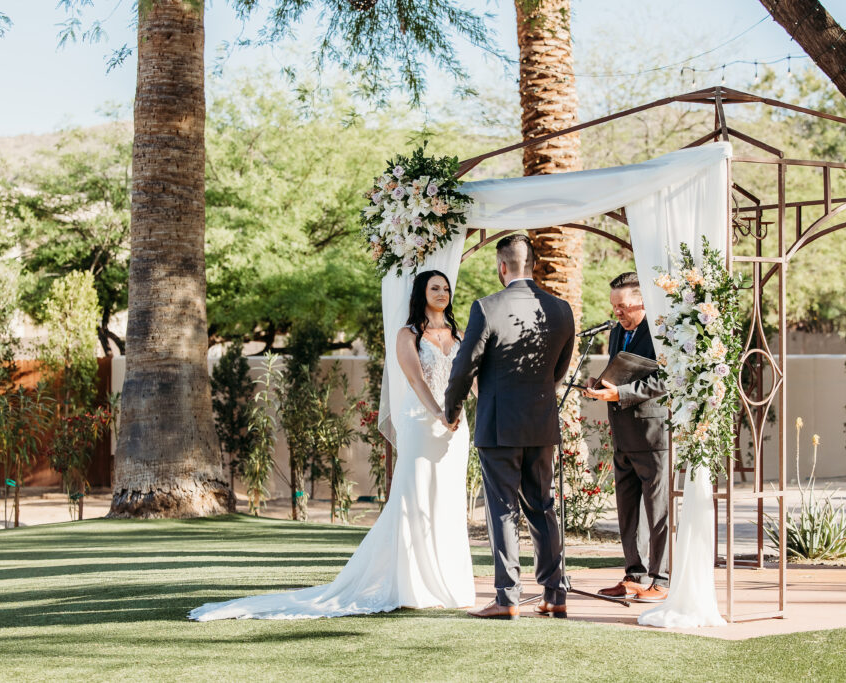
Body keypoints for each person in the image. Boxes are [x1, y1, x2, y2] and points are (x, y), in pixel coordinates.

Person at [188, 270, 475, 621]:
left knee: (448, 499)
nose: (443, 293)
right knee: (414, 497)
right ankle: (413, 583)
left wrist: (465, 412)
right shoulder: (407, 335)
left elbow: (471, 378)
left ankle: (449, 582)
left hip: (456, 429)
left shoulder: (460, 335)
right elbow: (415, 379)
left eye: (446, 288)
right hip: (421, 422)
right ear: (422, 293)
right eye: (435, 287)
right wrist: (439, 412)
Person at [445, 234, 575, 620]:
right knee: (543, 506)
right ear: (532, 264)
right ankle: (555, 594)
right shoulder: (562, 309)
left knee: (502, 511)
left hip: (499, 425)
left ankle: (508, 598)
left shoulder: (486, 307)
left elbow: (463, 367)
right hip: (541, 422)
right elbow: (561, 368)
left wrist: (451, 409)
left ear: (503, 267)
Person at [584, 271, 669, 602]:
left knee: (658, 511)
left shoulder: (661, 332)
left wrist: (621, 393)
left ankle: (661, 580)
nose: (617, 313)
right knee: (627, 511)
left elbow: (668, 380)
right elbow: (618, 373)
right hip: (622, 434)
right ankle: (634, 575)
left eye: (623, 307)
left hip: (652, 434)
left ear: (643, 301)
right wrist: (600, 385)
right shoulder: (617, 332)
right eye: (614, 306)